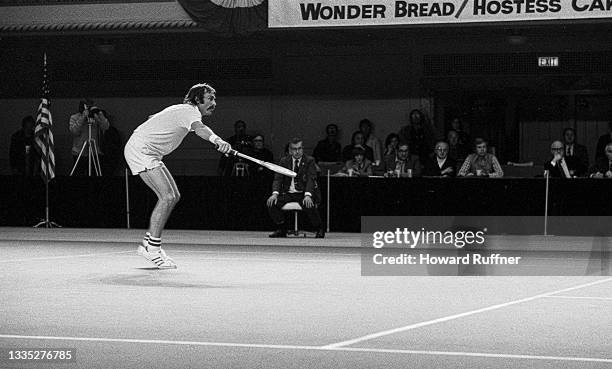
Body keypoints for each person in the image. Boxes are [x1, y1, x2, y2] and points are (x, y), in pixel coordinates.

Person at [124, 83, 231, 268]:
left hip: (149, 152)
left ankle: (149, 244)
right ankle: (153, 250)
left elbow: (154, 118)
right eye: (210, 99)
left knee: (173, 196)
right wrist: (217, 140)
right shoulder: (190, 111)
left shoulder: (181, 111)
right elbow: (200, 129)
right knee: (167, 196)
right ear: (198, 100)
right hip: (141, 150)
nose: (214, 103)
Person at [266, 137, 324, 238]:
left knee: (308, 204)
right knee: (272, 203)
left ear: (302, 149)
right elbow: (278, 179)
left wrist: (308, 195)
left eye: (299, 148)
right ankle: (282, 228)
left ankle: (319, 228)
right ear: (289, 150)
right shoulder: (284, 161)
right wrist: (275, 194)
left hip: (303, 192)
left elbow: (311, 178)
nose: (297, 151)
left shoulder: (310, 160)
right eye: (294, 149)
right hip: (288, 193)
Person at [69, 99, 109, 176]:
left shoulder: (95, 117)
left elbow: (106, 127)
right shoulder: (74, 117)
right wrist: (83, 117)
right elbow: (74, 131)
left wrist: (99, 114)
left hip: (94, 152)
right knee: (78, 175)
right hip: (79, 152)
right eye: (86, 105)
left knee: (95, 175)